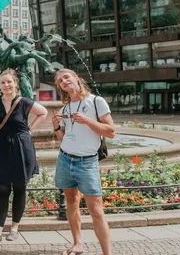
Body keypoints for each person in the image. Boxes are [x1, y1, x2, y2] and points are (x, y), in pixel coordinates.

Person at [52, 68, 115, 255]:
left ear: (76, 79)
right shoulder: (65, 109)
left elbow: (111, 131)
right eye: (60, 81)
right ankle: (77, 244)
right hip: (65, 159)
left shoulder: (96, 102)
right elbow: (64, 139)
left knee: (96, 209)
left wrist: (87, 121)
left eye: (66, 77)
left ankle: (107, 253)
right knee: (71, 201)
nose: (63, 81)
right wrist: (56, 125)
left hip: (87, 162)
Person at [0, 69, 47, 247]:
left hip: (22, 148)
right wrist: (0, 132)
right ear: (0, 85)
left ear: (15, 84)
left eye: (9, 82)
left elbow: (43, 112)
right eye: (3, 82)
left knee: (20, 188)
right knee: (2, 190)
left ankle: (14, 228)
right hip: (2, 148)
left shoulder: (23, 102)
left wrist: (29, 130)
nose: (6, 85)